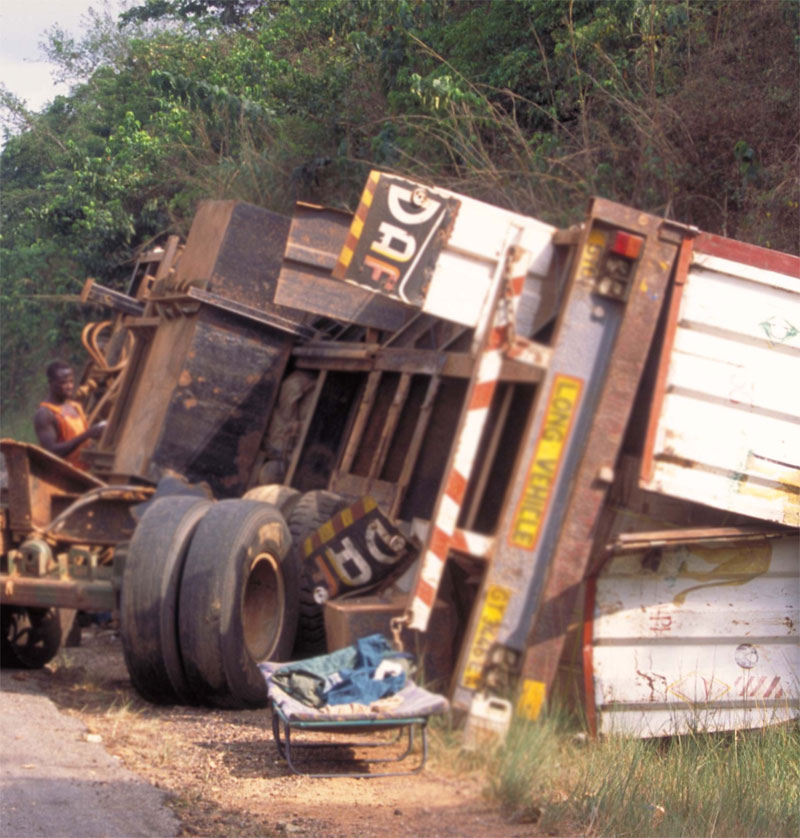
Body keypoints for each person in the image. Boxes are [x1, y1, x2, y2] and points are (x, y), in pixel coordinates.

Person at [34, 360, 106, 471]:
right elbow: (52, 451)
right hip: (63, 477)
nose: (70, 386)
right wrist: (87, 435)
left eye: (71, 381)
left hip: (85, 473)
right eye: (64, 383)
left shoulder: (75, 407)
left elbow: (84, 442)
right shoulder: (45, 414)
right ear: (51, 383)